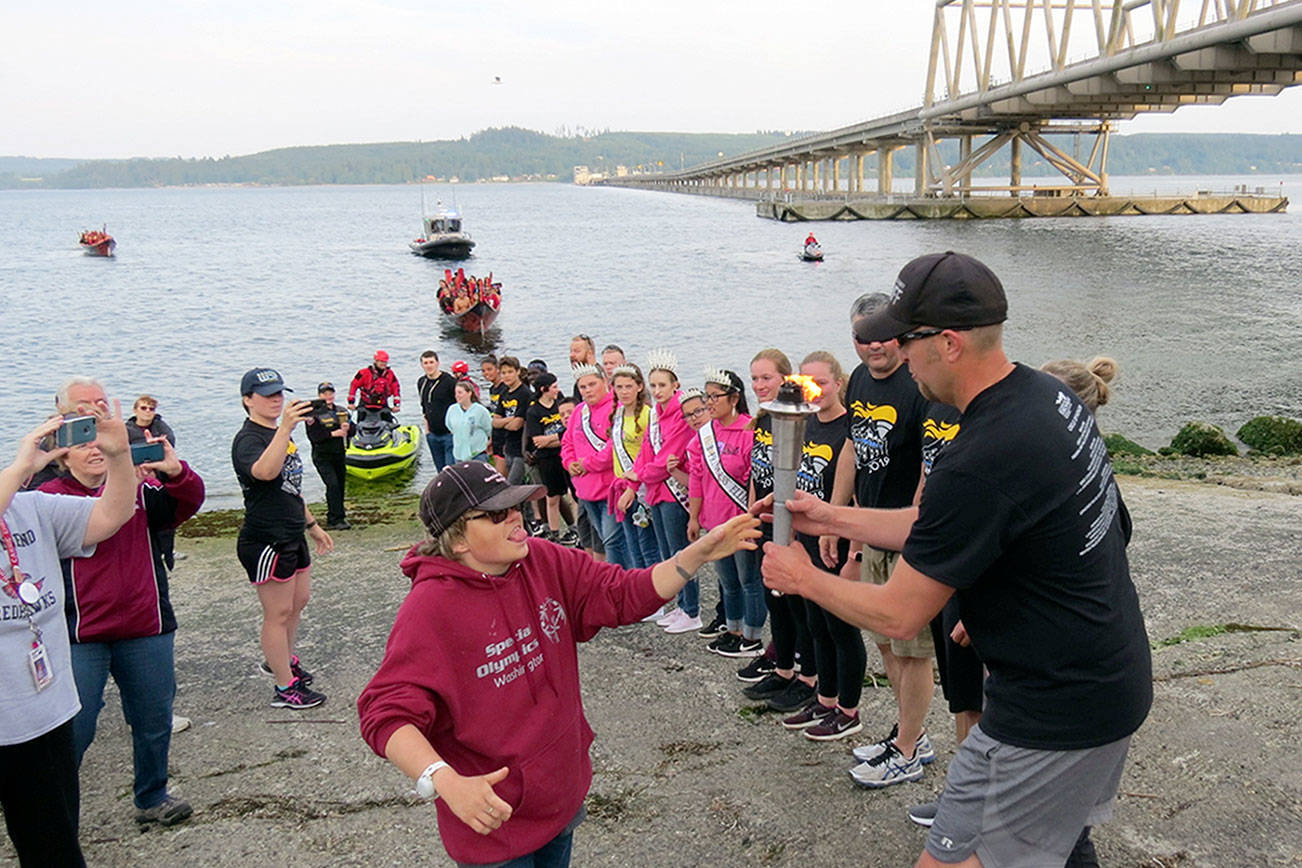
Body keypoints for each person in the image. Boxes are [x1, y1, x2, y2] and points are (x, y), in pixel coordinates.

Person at [760, 251, 1152, 867]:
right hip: (1096, 677)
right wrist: (834, 516)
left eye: (902, 340)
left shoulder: (982, 454)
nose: (896, 354)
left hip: (1059, 705)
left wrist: (803, 577)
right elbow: (963, 525)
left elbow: (898, 615)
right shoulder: (1047, 396)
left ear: (945, 343)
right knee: (1060, 845)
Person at [357, 461, 759, 868]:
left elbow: (621, 593)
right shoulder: (430, 608)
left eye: (515, 504)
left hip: (560, 794)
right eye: (497, 514)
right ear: (458, 539)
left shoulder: (542, 559)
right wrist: (443, 780)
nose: (516, 517)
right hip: (492, 820)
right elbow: (386, 713)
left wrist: (696, 555)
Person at [41, 421, 205, 828]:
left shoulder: (140, 488)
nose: (95, 451)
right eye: (84, 446)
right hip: (80, 633)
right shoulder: (47, 498)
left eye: (103, 445)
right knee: (74, 726)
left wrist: (176, 471)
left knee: (153, 718)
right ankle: (52, 807)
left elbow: (187, 503)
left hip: (144, 624)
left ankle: (152, 797)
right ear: (63, 454)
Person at [1, 405, 136, 867]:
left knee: (54, 850)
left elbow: (112, 515)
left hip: (43, 715)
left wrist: (119, 456)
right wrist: (21, 467)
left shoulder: (30, 508)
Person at [828, 292, 934, 787]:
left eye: (882, 337)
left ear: (901, 335)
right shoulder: (860, 380)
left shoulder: (919, 384)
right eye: (861, 338)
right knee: (888, 646)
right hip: (871, 531)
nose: (873, 347)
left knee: (913, 650)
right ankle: (909, 732)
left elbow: (929, 467)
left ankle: (909, 749)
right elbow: (851, 445)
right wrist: (836, 516)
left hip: (907, 537)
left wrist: (913, 527)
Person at [232, 368, 333, 710]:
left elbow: (291, 489)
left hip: (292, 531)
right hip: (265, 538)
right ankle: (283, 687)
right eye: (267, 395)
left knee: (298, 602)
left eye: (279, 393)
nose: (276, 400)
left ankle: (284, 660)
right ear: (248, 400)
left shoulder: (279, 434)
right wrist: (286, 428)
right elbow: (264, 473)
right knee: (276, 612)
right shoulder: (248, 439)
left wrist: (313, 525)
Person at [779, 351, 864, 742]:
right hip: (810, 540)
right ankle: (825, 698)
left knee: (841, 627)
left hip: (840, 540)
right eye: (806, 384)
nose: (814, 391)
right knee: (816, 624)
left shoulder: (850, 427)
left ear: (839, 383)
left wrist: (855, 553)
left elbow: (858, 495)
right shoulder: (806, 424)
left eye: (822, 383)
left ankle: (849, 710)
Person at [740, 349, 813, 701]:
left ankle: (808, 676)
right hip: (765, 519)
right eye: (754, 378)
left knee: (796, 605)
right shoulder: (763, 419)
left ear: (786, 379)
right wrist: (750, 516)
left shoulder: (798, 418)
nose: (759, 385)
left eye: (766, 378)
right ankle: (782, 669)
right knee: (775, 601)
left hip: (792, 523)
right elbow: (758, 472)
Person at [688, 369, 762, 657]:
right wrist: (694, 517)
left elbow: (755, 477)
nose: (708, 402)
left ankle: (752, 636)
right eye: (706, 396)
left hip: (740, 520)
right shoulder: (704, 435)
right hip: (713, 520)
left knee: (748, 580)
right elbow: (696, 477)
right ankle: (733, 629)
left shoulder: (749, 430)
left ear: (734, 398)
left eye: (714, 396)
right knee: (727, 581)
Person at [633, 350, 700, 634]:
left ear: (675, 385)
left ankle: (693, 609)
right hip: (657, 492)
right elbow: (648, 450)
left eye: (662, 385)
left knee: (681, 552)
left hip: (674, 493)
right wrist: (639, 476)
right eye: (653, 385)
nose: (657, 391)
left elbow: (668, 458)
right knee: (667, 553)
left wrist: (641, 474)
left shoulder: (681, 415)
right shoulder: (655, 415)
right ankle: (682, 605)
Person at [560, 364, 628, 566]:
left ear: (605, 383)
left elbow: (615, 446)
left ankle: (621, 581)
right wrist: (569, 462)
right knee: (603, 538)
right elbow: (567, 442)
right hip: (585, 489)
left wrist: (588, 464)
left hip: (610, 489)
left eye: (592, 384)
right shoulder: (579, 411)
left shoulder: (616, 408)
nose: (587, 390)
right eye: (582, 387)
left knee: (613, 540)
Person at [607, 364, 660, 572]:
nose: (624, 392)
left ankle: (656, 597)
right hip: (621, 485)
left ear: (639, 387)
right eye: (619, 387)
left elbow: (648, 455)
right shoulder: (617, 414)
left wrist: (633, 486)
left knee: (647, 546)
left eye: (629, 386)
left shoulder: (648, 415)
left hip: (640, 488)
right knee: (632, 546)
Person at [125, 394, 180, 567]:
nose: (148, 412)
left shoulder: (161, 427)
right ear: (135, 410)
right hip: (136, 479)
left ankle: (168, 552)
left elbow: (170, 444)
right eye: (143, 408)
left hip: (160, 478)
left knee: (165, 518)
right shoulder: (127, 430)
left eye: (151, 409)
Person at [523, 373, 577, 546]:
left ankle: (575, 529)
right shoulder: (534, 411)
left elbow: (569, 434)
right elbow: (538, 441)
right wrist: (558, 438)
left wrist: (553, 439)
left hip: (565, 455)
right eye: (553, 387)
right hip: (547, 460)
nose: (557, 389)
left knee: (573, 494)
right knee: (552, 497)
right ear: (543, 389)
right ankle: (554, 533)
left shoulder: (559, 403)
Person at [491, 358, 539, 533]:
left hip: (521, 448)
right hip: (508, 447)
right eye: (503, 372)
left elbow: (518, 424)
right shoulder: (504, 393)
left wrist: (505, 422)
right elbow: (494, 422)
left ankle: (525, 523)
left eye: (510, 372)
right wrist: (506, 421)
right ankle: (528, 524)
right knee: (518, 491)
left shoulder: (524, 394)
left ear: (518, 372)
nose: (507, 376)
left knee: (512, 489)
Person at [304, 382, 352, 530]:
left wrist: (348, 428)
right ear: (319, 396)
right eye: (325, 394)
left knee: (340, 485)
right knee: (332, 485)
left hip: (339, 453)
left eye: (330, 393)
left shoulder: (341, 411)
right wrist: (333, 434)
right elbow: (314, 436)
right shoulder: (314, 413)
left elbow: (353, 430)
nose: (328, 396)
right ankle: (334, 518)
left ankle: (338, 516)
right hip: (322, 455)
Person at [417, 350, 458, 471]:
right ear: (422, 365)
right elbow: (424, 406)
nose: (429, 365)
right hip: (432, 434)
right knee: (440, 471)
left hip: (449, 434)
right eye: (426, 363)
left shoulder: (449, 382)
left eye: (431, 362)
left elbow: (459, 405)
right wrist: (427, 430)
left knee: (451, 471)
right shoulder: (421, 382)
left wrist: (455, 429)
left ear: (437, 363)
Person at [446, 380, 493, 463]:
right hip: (459, 454)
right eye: (456, 393)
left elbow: (490, 429)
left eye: (460, 393)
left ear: (469, 393)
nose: (457, 396)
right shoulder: (452, 409)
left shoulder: (480, 410)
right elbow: (450, 426)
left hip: (477, 454)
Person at [348, 350, 401, 422]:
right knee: (360, 426)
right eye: (381, 362)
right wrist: (351, 403)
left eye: (385, 362)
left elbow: (395, 388)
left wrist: (396, 404)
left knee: (389, 425)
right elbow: (354, 385)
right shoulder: (363, 373)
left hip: (382, 404)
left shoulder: (390, 374)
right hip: (365, 404)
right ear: (376, 361)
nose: (383, 364)